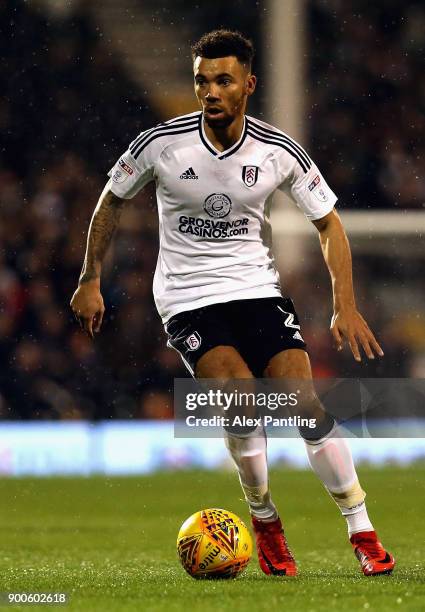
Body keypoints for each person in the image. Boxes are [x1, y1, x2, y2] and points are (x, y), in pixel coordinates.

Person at [70, 29, 394, 577]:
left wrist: (345, 302)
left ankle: (360, 528)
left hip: (255, 288)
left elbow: (328, 222)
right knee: (240, 401)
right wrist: (89, 277)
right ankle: (265, 520)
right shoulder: (161, 145)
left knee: (302, 401)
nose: (210, 91)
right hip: (188, 296)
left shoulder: (277, 149)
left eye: (223, 80)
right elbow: (111, 200)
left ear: (249, 84)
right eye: (202, 81)